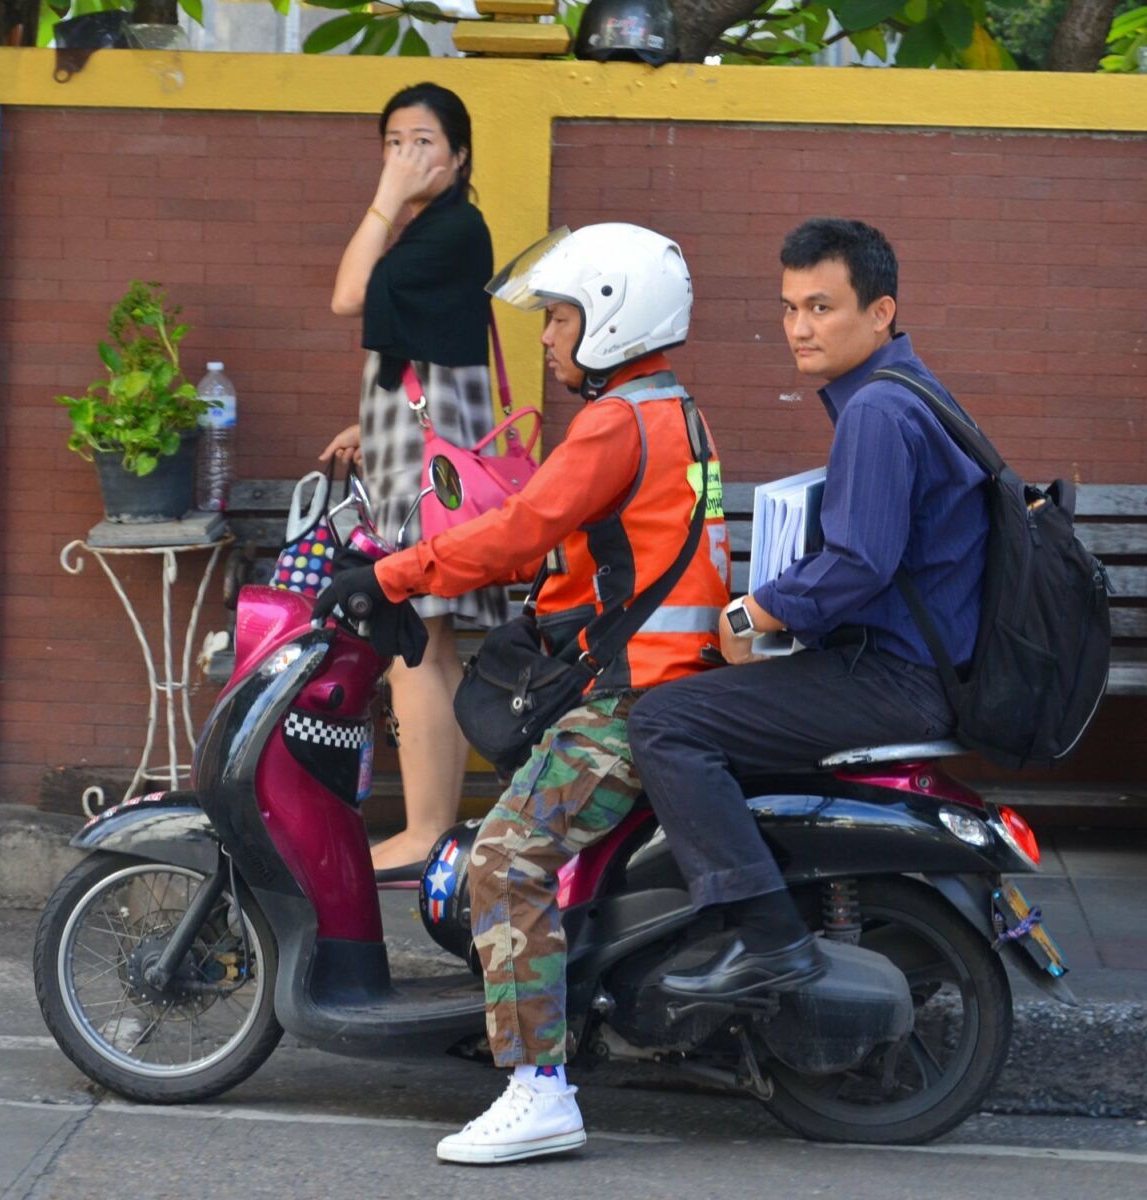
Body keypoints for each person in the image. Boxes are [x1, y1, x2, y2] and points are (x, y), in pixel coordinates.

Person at [315, 223, 728, 1164]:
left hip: (630, 701)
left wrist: (390, 576)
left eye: (561, 317)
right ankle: (528, 1020)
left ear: (613, 322)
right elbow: (589, 546)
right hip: (651, 682)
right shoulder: (676, 412)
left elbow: (516, 529)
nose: (546, 336)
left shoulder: (619, 421)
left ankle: (538, 1089)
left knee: (504, 858)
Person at [626, 217, 989, 1000]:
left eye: (821, 307)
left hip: (897, 680)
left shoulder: (878, 413)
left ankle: (766, 939)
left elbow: (860, 562)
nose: (798, 327)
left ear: (881, 311)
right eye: (790, 308)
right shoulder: (907, 389)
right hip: (912, 665)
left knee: (665, 722)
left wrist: (756, 613)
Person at [319, 82, 508, 880]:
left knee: (416, 637)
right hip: (418, 442)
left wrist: (383, 198)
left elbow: (349, 296)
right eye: (393, 141)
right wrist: (375, 421)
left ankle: (429, 830)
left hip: (432, 459)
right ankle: (432, 826)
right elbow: (422, 344)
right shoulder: (437, 231)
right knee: (422, 639)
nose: (406, 156)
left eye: (424, 142)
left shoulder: (453, 226)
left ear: (459, 157)